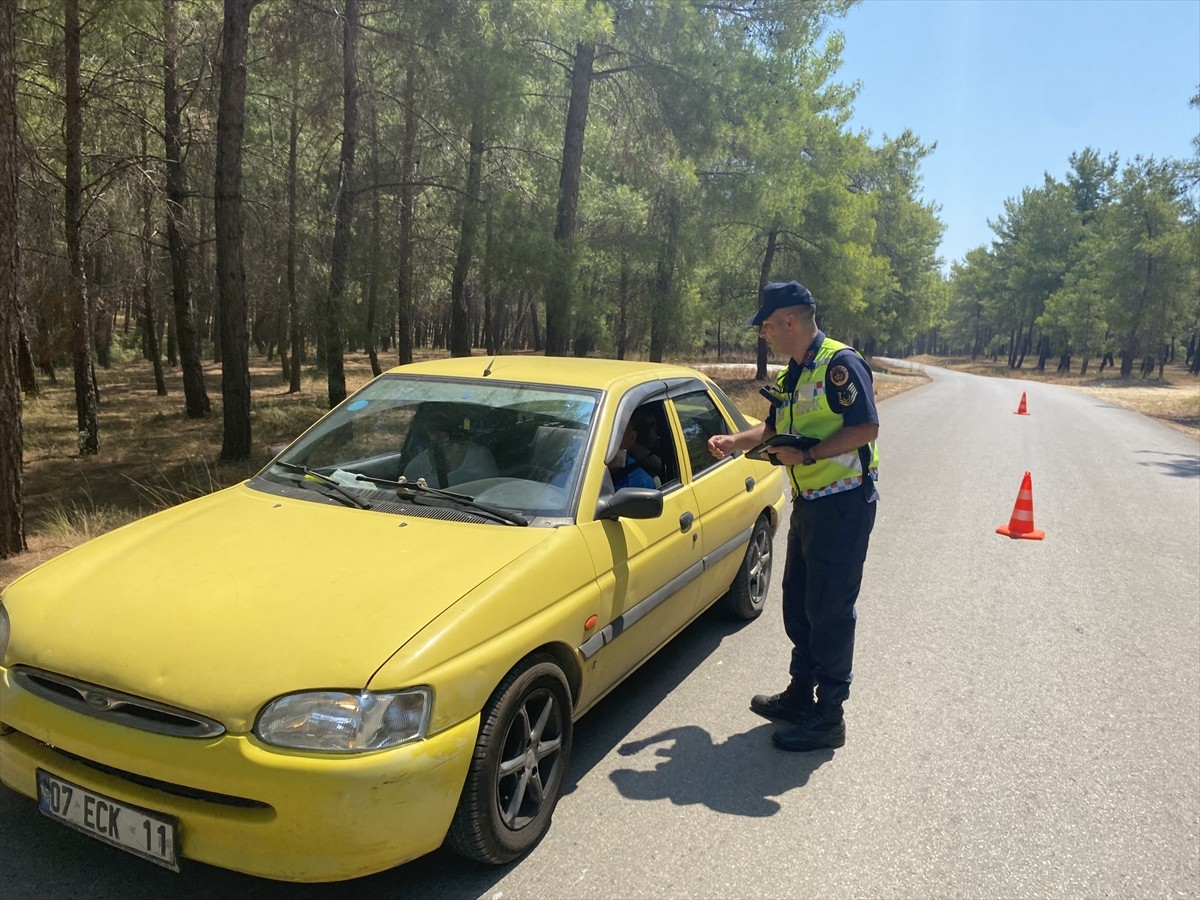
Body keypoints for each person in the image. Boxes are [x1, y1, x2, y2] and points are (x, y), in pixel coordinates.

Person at [707, 281, 879, 753]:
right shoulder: (795, 372)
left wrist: (807, 455)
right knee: (800, 604)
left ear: (789, 321)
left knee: (830, 612)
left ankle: (829, 717)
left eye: (766, 325)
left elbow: (866, 427)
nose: (762, 334)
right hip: (809, 503)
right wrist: (734, 442)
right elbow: (772, 426)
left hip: (843, 505)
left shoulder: (840, 365)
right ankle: (801, 694)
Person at [403, 412, 498, 488]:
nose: (434, 437)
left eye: (440, 429)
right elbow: (405, 494)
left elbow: (492, 492)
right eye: (431, 431)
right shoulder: (417, 465)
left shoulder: (479, 457)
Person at [609, 419, 657, 490]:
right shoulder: (590, 466)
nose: (610, 441)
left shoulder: (642, 483)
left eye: (617, 435)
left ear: (632, 438)